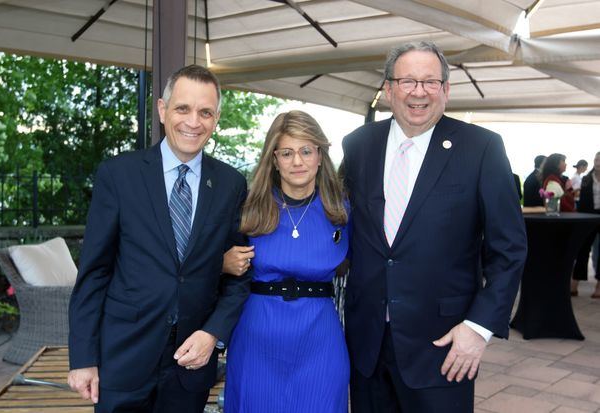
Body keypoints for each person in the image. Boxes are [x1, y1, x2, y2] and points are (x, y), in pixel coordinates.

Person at [341, 41, 527, 412]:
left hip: (444, 347)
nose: (419, 92)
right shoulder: (358, 145)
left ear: (446, 90)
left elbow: (509, 251)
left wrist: (478, 328)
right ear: (389, 88)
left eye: (430, 82)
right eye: (408, 81)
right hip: (366, 343)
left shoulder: (482, 148)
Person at [67, 65, 251, 413]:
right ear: (163, 109)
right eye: (183, 108)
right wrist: (83, 358)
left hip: (190, 366)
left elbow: (240, 274)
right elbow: (93, 273)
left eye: (205, 112)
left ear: (216, 119)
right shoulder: (118, 175)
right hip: (122, 360)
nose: (193, 122)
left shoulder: (230, 185)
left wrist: (213, 333)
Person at [223, 110, 350, 412]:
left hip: (320, 341)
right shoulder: (248, 208)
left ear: (320, 156)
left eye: (306, 151)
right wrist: (220, 263)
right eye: (287, 153)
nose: (297, 161)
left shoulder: (342, 212)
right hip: (256, 341)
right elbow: (197, 263)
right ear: (274, 159)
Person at [572, 152, 600, 297]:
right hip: (589, 216)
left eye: (599, 160)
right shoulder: (587, 179)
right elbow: (582, 202)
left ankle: (598, 287)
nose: (597, 162)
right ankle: (574, 284)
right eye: (596, 159)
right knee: (583, 249)